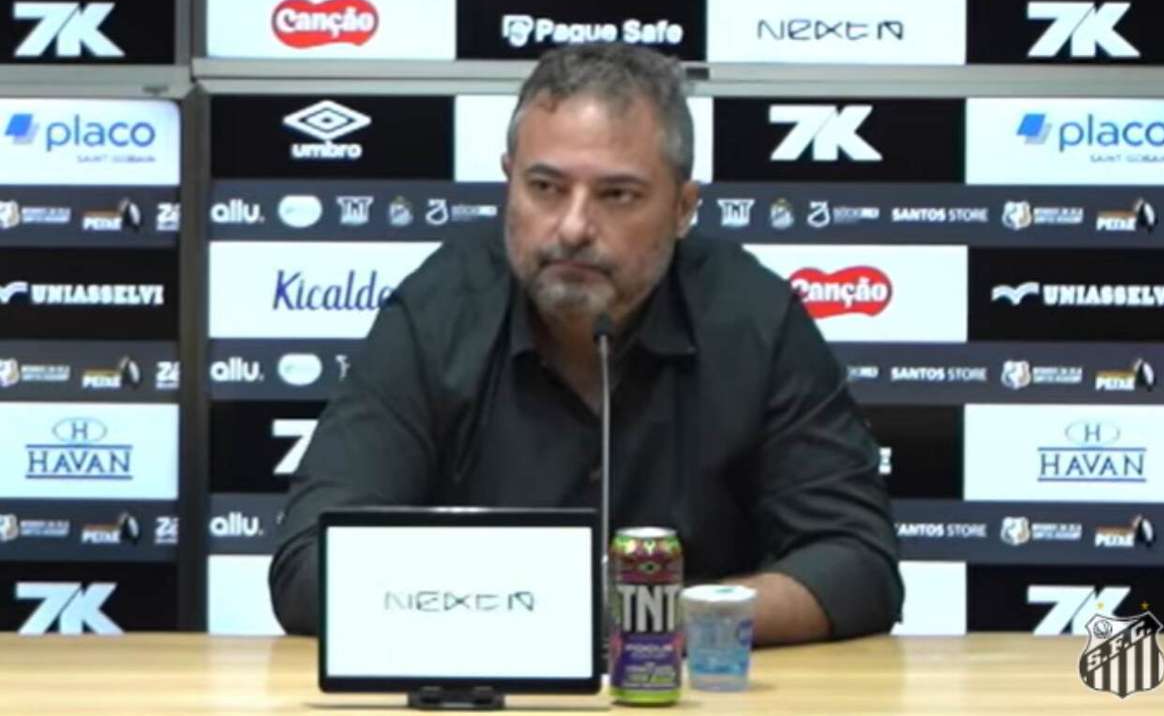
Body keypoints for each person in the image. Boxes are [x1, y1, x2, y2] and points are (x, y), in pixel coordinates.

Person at [269, 43, 902, 641]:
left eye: (617, 195)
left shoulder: (751, 318)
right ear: (508, 182)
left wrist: (646, 623)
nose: (573, 228)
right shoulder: (438, 312)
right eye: (545, 188)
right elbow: (308, 567)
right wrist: (538, 615)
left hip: (687, 688)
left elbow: (857, 564)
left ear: (683, 209)